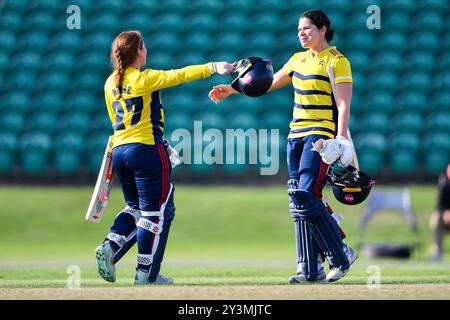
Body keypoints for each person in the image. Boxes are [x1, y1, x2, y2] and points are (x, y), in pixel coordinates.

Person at [209, 10, 357, 282]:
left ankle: (340, 254)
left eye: (307, 29)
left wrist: (341, 138)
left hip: (320, 137)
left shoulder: (337, 61)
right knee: (297, 198)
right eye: (299, 29)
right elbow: (266, 85)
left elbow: (343, 104)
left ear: (323, 29)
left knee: (305, 194)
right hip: (295, 136)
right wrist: (233, 89)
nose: (302, 33)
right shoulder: (298, 59)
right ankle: (309, 269)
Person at [95, 30, 234, 285]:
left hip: (120, 151)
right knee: (152, 214)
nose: (146, 50)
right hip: (146, 149)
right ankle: (145, 274)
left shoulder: (109, 82)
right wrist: (214, 67)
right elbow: (179, 75)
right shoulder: (143, 78)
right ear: (137, 52)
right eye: (143, 46)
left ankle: (111, 244)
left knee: (134, 208)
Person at [429, 163, 450, 261]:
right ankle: (437, 251)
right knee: (436, 218)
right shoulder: (445, 185)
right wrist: (445, 212)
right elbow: (439, 206)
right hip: (446, 220)